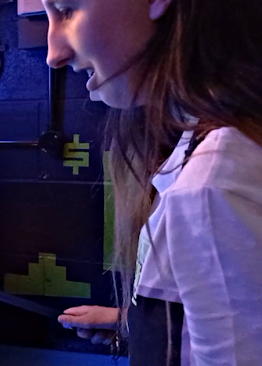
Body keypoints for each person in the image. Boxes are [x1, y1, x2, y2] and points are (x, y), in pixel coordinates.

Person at [41, 0, 262, 365]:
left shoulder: (209, 186)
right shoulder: (221, 147)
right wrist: (139, 326)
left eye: (67, 9)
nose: (54, 53)